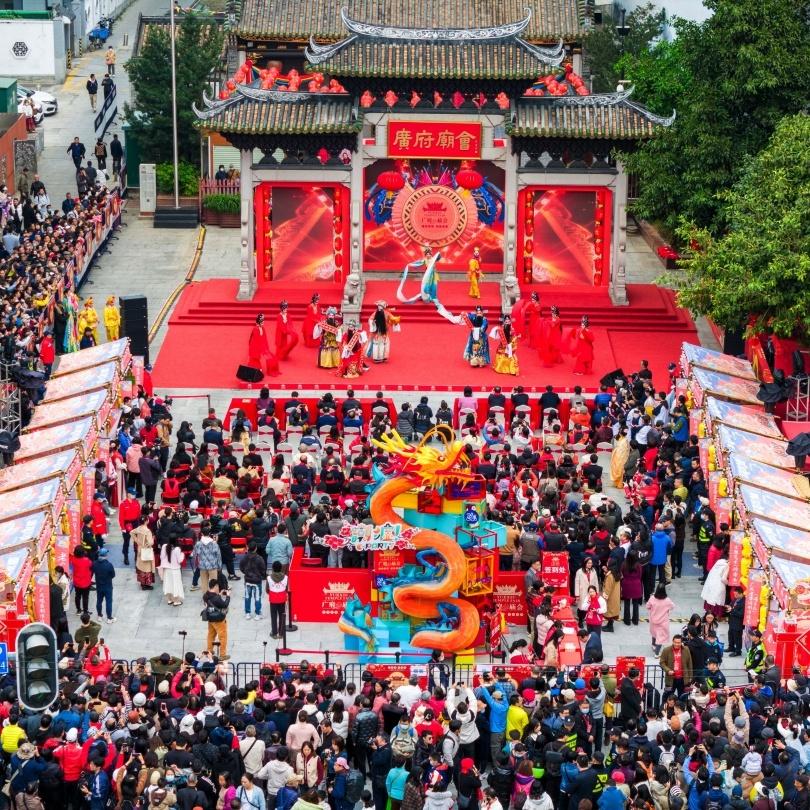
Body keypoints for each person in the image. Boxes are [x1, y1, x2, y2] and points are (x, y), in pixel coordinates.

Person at [203, 578, 231, 659]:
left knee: (211, 635)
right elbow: (225, 604)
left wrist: (219, 594)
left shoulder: (205, 595)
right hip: (219, 620)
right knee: (223, 636)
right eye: (218, 586)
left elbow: (212, 601)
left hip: (210, 618)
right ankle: (223, 655)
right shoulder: (216, 598)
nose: (218, 588)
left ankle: (209, 651)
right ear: (215, 586)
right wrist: (228, 596)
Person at [239, 543, 266, 621]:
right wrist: (259, 576)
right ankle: (257, 614)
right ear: (256, 548)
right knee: (257, 597)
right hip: (257, 581)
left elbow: (241, 567)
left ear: (248, 548)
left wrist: (246, 573)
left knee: (247, 597)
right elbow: (263, 570)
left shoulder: (244, 558)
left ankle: (247, 613)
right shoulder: (260, 558)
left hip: (247, 580)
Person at [646, 584, 675, 656]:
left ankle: (653, 645)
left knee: (654, 633)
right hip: (663, 622)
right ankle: (657, 653)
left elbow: (647, 606)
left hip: (653, 621)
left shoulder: (652, 598)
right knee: (660, 638)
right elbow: (673, 606)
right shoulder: (667, 600)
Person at [158, 537, 185, 606]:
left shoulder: (164, 546)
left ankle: (169, 599)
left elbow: (161, 557)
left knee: (168, 584)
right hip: (175, 569)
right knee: (176, 585)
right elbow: (179, 560)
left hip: (167, 569)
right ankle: (176, 601)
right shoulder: (177, 549)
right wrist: (182, 555)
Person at [92, 547, 116, 624]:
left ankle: (99, 615)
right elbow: (113, 575)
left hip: (99, 586)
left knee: (99, 601)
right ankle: (109, 618)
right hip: (108, 586)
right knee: (108, 602)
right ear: (105, 555)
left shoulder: (95, 564)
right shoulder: (109, 565)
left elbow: (92, 570)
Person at [131, 519, 156, 590]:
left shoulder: (138, 528)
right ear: (146, 521)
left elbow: (131, 532)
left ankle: (142, 583)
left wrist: (137, 541)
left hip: (140, 549)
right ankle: (146, 584)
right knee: (147, 568)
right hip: (146, 550)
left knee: (141, 566)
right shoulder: (148, 531)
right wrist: (153, 539)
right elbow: (151, 542)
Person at [267, 561, 288, 639]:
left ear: (272, 568)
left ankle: (274, 633)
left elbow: (267, 589)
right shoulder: (286, 577)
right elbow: (286, 588)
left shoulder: (269, 578)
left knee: (273, 616)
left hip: (273, 599)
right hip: (282, 598)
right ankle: (281, 633)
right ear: (281, 568)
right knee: (282, 615)